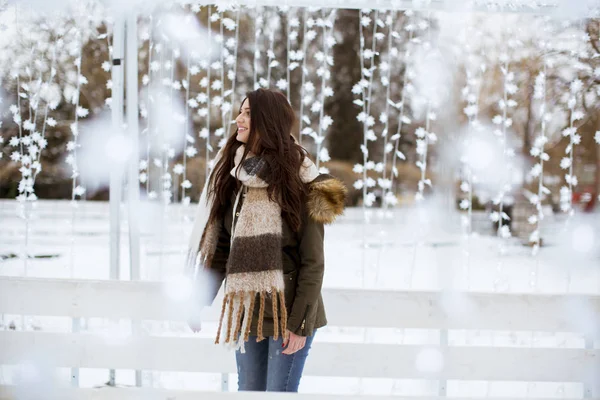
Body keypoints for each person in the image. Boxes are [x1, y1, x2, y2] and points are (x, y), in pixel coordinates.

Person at [185, 88, 347, 392]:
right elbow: (223, 249)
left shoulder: (303, 181)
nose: (239, 120)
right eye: (240, 112)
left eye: (247, 113)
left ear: (266, 120)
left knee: (279, 394)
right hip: (249, 308)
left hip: (289, 311)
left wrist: (298, 324)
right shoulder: (235, 177)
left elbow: (313, 262)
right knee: (248, 392)